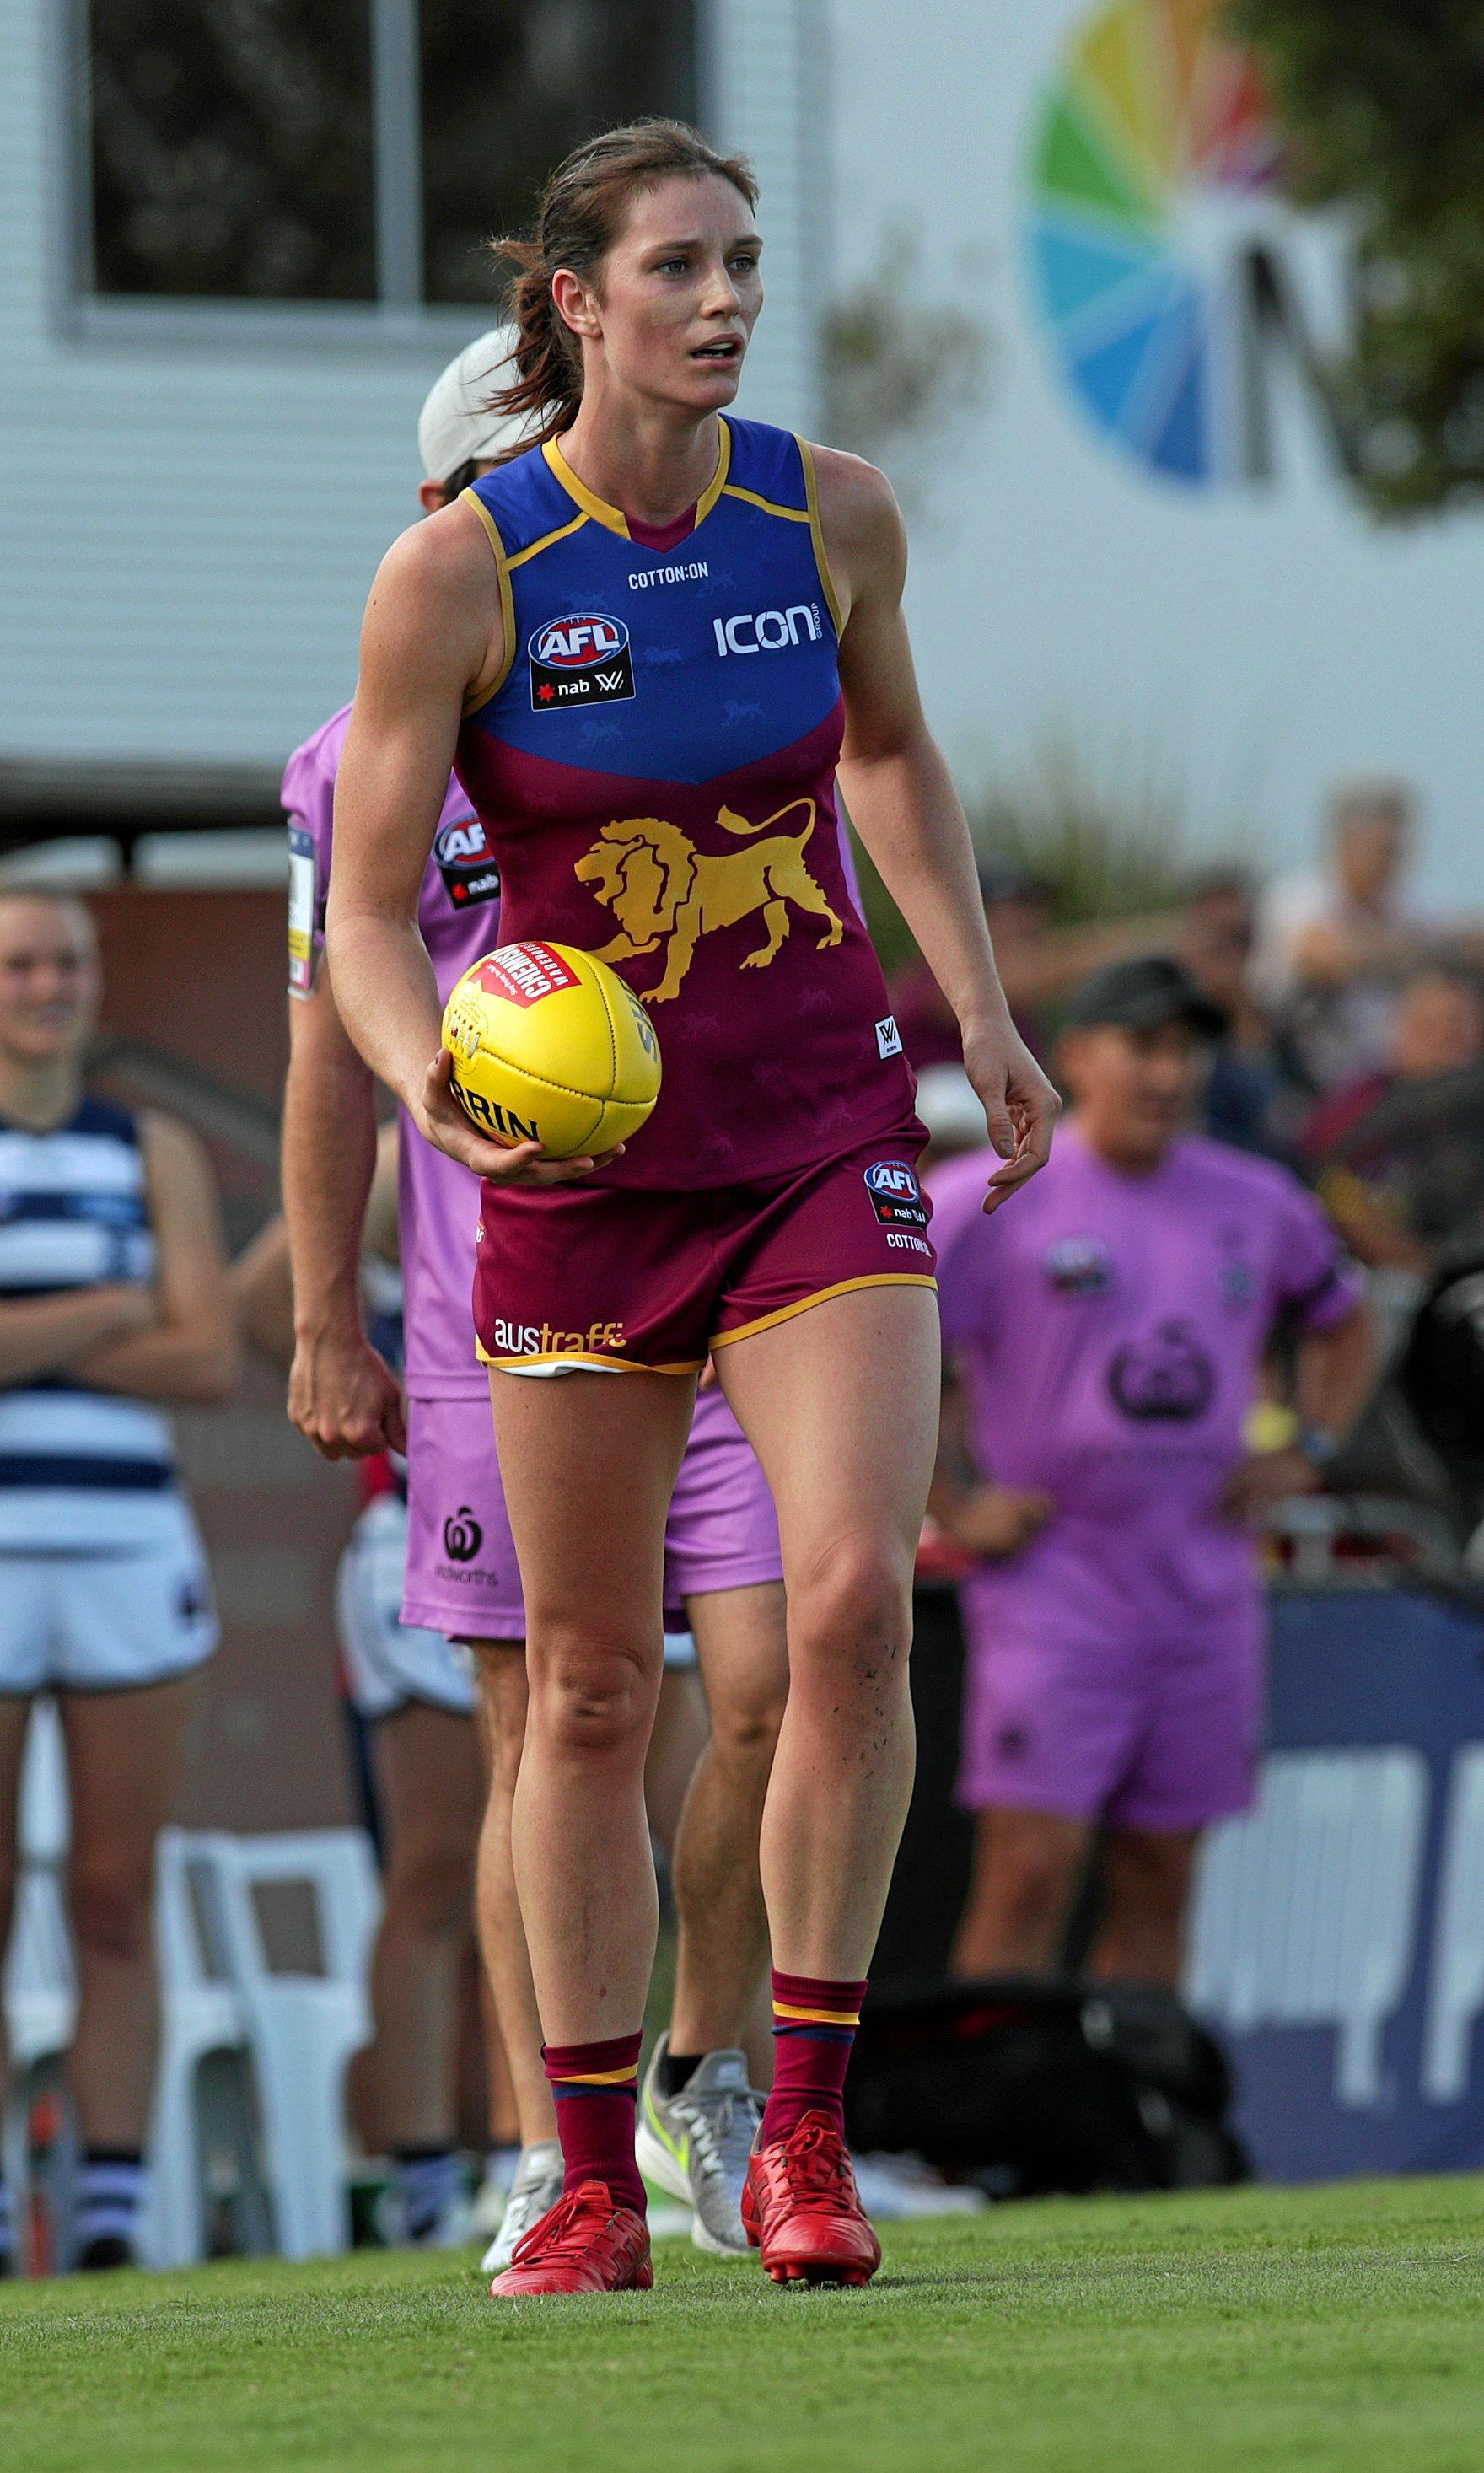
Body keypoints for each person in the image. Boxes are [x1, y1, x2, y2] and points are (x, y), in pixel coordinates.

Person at [326, 116, 1056, 2297]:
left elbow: (896, 757)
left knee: (847, 1609)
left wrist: (984, 1014)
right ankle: (575, 2174)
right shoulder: (463, 568)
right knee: (585, 1692)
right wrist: (425, 1079)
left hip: (820, 1136)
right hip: (574, 1185)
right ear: (576, 301)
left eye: (742, 262)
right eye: (680, 267)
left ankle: (802, 2142)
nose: (726, 300)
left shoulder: (828, 509)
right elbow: (366, 915)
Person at [283, 319, 798, 2274]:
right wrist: (331, 1310)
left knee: (771, 1688)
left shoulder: (711, 655)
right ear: (449, 500)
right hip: (496, 1298)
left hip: (739, 1247)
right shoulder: (362, 747)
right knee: (544, 1731)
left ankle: (713, 2069)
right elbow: (331, 1042)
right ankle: (545, 2142)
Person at [928, 955, 1374, 1990]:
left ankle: (1137, 2131)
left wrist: (1303, 1449)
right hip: (1054, 1584)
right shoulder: (1000, 1191)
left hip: (1203, 1585)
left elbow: (1343, 1328)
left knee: (1161, 1871)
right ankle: (987, 2139)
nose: (1166, 1072)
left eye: (1185, 1048)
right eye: (1141, 1044)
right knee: (1028, 1864)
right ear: (1076, 1056)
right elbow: (876, 1341)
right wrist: (945, 1501)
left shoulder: (1256, 1201)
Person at [0, 890, 236, 2273]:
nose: (46, 983)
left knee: (109, 1888)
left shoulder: (152, 1146)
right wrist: (107, 1309)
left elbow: (209, 1359)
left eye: (66, 961)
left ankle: (107, 2208)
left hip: (131, 1548)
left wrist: (26, 1333)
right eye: (21, 962)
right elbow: (162, 1325)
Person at [234, 1135, 488, 2249]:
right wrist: (340, 1342)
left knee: (625, 1842)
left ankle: (628, 2142)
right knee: (443, 1862)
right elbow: (255, 1304)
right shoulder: (415, 1141)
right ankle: (433, 2170)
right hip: (426, 1527)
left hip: (606, 1515)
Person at [1250, 781, 1436, 1094]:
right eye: (1380, 848)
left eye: (1396, 849)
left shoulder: (1407, 907)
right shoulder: (1299, 895)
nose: (1390, 861)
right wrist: (1407, 949)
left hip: (1388, 1078)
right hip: (1299, 1074)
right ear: (1348, 841)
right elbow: (1320, 956)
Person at [1300, 963, 1484, 1274]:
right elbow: (1330, 1191)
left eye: (1457, 1027)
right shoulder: (1358, 1104)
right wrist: (1421, 1266)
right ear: (1399, 1029)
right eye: (1429, 1026)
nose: (1443, 1039)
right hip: (1391, 1276)